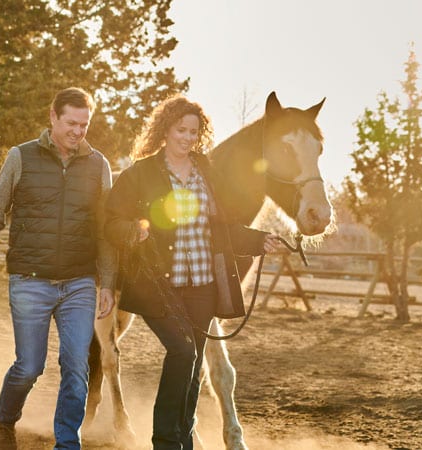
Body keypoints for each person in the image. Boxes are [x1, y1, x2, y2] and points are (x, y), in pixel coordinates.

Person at [103, 94, 282, 449]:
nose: (186, 137)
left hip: (202, 286)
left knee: (193, 363)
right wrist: (132, 231)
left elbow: (223, 228)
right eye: (180, 129)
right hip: (159, 286)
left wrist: (257, 240)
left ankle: (183, 439)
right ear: (165, 130)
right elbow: (111, 220)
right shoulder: (140, 173)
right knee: (183, 353)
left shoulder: (207, 176)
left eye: (193, 132)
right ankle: (166, 442)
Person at [0, 87, 116, 450]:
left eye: (84, 124)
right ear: (53, 117)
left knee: (76, 368)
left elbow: (107, 231)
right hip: (30, 280)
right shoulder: (21, 157)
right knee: (29, 366)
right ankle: (5, 420)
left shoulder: (99, 166)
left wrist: (108, 282)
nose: (78, 131)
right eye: (71, 123)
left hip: (79, 282)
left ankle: (67, 443)